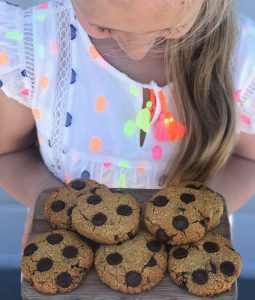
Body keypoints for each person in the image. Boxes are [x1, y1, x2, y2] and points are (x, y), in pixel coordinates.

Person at [0, 0, 254, 252]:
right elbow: (9, 153)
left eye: (170, 29)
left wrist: (201, 216)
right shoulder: (33, 47)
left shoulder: (243, 59)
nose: (136, 51)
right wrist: (47, 201)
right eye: (102, 27)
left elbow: (249, 160)